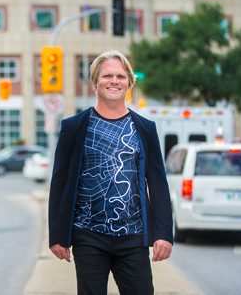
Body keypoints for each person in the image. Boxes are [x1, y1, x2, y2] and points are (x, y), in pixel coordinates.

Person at [48, 50, 173, 295]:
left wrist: (163, 234)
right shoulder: (74, 127)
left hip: (133, 237)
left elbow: (157, 182)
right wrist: (57, 235)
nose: (114, 81)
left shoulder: (145, 129)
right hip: (88, 236)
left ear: (129, 83)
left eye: (120, 76)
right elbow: (60, 182)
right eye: (107, 76)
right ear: (95, 82)